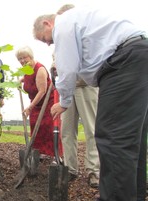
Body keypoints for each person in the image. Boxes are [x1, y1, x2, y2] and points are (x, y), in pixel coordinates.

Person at [33, 5, 148, 201]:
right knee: (131, 137)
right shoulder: (82, 20)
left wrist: (64, 101)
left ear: (48, 23)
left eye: (46, 38)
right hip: (137, 56)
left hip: (123, 63)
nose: (49, 43)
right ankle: (133, 197)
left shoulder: (64, 24)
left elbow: (67, 69)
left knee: (112, 136)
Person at [55, 4, 100, 188]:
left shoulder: (87, 31)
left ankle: (94, 172)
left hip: (86, 87)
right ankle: (70, 168)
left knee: (92, 130)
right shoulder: (61, 36)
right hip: (68, 90)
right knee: (67, 131)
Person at [15, 46, 63, 160]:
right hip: (35, 103)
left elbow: (42, 91)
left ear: (30, 57)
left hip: (48, 103)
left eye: (24, 58)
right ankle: (39, 153)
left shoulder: (40, 69)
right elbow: (28, 78)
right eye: (19, 59)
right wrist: (20, 80)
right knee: (35, 127)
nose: (22, 61)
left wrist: (29, 107)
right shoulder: (26, 69)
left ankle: (57, 156)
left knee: (48, 128)